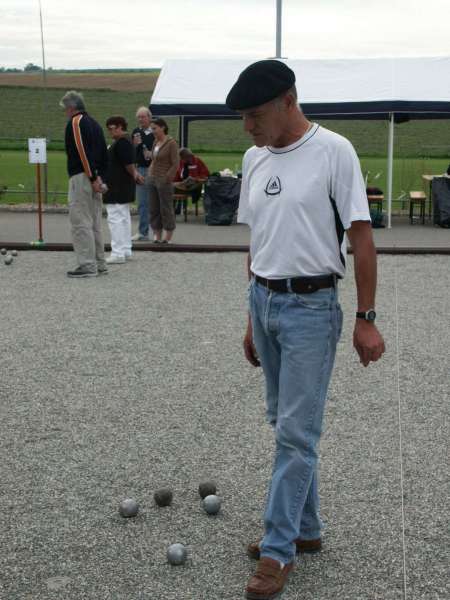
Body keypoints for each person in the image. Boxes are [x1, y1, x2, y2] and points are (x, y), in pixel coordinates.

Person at [226, 60, 385, 600]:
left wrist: (366, 317)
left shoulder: (333, 152)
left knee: (297, 433)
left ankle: (278, 550)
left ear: (288, 101)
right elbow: (259, 242)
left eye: (255, 115)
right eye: (243, 117)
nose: (248, 127)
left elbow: (361, 237)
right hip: (265, 301)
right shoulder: (253, 159)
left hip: (312, 309)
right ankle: (306, 529)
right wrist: (252, 319)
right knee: (284, 423)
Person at [60, 90, 108, 278]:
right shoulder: (95, 124)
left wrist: (92, 176)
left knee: (80, 222)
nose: (65, 113)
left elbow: (82, 151)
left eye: (65, 109)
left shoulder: (76, 122)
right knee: (95, 223)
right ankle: (100, 263)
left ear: (71, 108)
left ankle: (87, 265)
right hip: (95, 178)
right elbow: (104, 154)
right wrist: (101, 178)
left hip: (82, 177)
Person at [103, 116, 145, 264]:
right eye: (108, 128)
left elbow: (128, 164)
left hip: (117, 186)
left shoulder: (121, 143)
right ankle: (126, 249)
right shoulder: (125, 141)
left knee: (115, 219)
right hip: (122, 185)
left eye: (112, 128)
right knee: (123, 218)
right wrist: (135, 174)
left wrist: (135, 174)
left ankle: (118, 252)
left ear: (120, 126)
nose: (110, 131)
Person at [148, 118, 179, 243]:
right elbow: (154, 160)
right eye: (152, 129)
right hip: (152, 179)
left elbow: (175, 163)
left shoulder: (171, 143)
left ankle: (168, 235)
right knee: (154, 208)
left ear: (163, 128)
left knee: (166, 208)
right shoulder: (155, 142)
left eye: (154, 128)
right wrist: (150, 173)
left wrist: (167, 178)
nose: (153, 131)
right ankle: (157, 234)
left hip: (164, 180)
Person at [131, 106, 154, 241]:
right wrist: (134, 144)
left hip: (153, 169)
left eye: (143, 116)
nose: (140, 119)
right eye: (138, 117)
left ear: (149, 118)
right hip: (140, 169)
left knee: (154, 202)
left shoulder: (155, 132)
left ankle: (157, 232)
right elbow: (133, 152)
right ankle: (143, 232)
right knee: (142, 202)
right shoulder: (136, 132)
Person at [173, 148, 209, 213]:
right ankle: (171, 212)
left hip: (194, 186)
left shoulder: (197, 161)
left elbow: (206, 175)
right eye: (184, 158)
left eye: (190, 156)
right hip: (181, 186)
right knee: (168, 188)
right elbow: (176, 176)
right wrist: (176, 183)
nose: (189, 158)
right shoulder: (179, 163)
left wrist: (196, 179)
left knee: (195, 184)